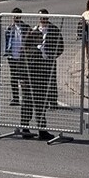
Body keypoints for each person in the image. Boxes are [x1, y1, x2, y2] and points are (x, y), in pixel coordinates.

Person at [22, 9, 63, 140]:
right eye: (40, 18)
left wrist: (51, 56)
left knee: (41, 100)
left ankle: (42, 129)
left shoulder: (54, 30)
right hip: (32, 71)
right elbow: (25, 49)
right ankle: (25, 127)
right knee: (28, 100)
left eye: (45, 17)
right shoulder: (33, 31)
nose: (43, 20)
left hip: (45, 69)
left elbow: (60, 46)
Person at [3, 7, 26, 107]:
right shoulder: (9, 28)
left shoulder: (25, 27)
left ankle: (25, 98)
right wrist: (6, 52)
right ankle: (15, 98)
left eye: (18, 16)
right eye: (14, 16)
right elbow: (6, 41)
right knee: (14, 78)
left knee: (23, 78)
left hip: (22, 57)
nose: (16, 18)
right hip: (12, 56)